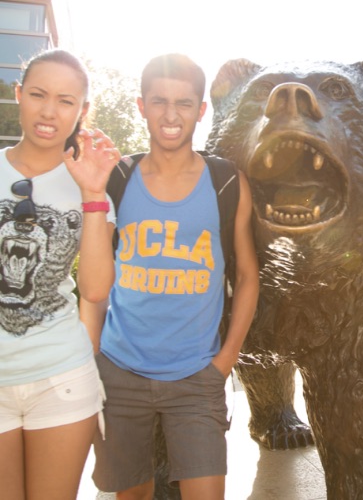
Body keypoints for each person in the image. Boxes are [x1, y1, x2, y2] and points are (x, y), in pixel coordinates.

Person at [89, 53, 259, 500]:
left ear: (201, 110)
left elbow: (247, 276)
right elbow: (93, 281)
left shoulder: (226, 182)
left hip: (196, 378)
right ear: (141, 106)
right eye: (159, 101)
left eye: (184, 103)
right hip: (120, 373)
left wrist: (223, 364)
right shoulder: (117, 179)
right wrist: (91, 362)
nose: (171, 114)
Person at [0, 49, 119, 500]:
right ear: (19, 95)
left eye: (66, 101)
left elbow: (94, 289)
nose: (49, 111)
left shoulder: (91, 183)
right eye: (37, 94)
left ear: (82, 111)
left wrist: (92, 194)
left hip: (61, 379)